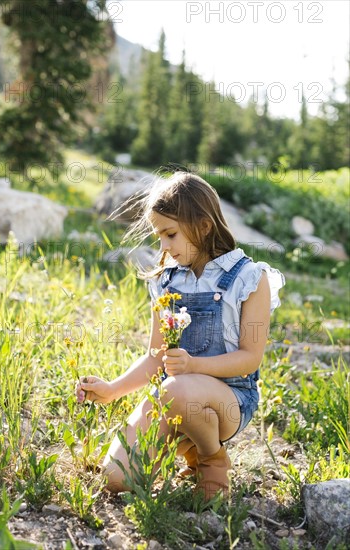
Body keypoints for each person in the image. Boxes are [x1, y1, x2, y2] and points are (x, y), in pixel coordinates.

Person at [75, 171, 285, 500]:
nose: (163, 246)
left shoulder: (248, 278)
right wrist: (112, 389)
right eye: (159, 235)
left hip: (228, 403)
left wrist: (191, 366)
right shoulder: (166, 281)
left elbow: (249, 359)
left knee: (177, 388)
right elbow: (156, 357)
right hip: (175, 396)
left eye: (170, 234)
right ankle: (187, 446)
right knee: (115, 479)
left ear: (203, 225)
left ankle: (211, 459)